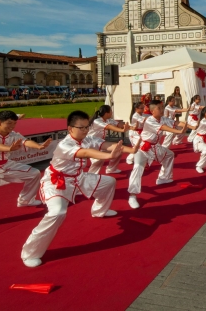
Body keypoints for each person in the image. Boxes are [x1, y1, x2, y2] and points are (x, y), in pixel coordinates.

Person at [20, 110, 137, 267]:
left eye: (86, 127)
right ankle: (30, 253)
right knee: (57, 213)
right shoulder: (64, 145)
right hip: (56, 182)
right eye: (81, 127)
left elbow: (106, 144)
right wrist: (110, 156)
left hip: (79, 178)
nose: (85, 130)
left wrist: (133, 150)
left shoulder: (88, 139)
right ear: (70, 129)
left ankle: (99, 210)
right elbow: (87, 152)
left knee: (108, 182)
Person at [127, 100, 186, 209]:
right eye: (160, 108)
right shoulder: (150, 120)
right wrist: (177, 131)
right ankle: (132, 195)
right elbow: (163, 128)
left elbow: (175, 123)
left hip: (156, 147)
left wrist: (190, 126)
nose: (162, 110)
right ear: (153, 111)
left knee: (170, 155)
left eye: (162, 107)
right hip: (144, 148)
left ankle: (163, 178)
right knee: (137, 167)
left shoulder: (163, 118)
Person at [86, 105, 130, 174]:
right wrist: (122, 130)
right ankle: (90, 177)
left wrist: (131, 127)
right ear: (107, 113)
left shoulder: (108, 120)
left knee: (118, 151)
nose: (112, 113)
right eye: (111, 111)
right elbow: (108, 127)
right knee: (98, 159)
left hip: (100, 143)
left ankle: (111, 169)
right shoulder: (97, 121)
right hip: (91, 144)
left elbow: (119, 124)